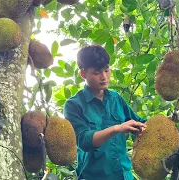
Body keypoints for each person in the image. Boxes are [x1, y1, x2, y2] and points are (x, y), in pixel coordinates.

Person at [63, 45, 147, 180]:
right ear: (83, 74)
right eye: (97, 73)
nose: (104, 77)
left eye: (107, 70)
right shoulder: (73, 105)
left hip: (124, 175)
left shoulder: (116, 99)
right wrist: (116, 129)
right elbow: (84, 140)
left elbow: (140, 123)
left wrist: (169, 120)